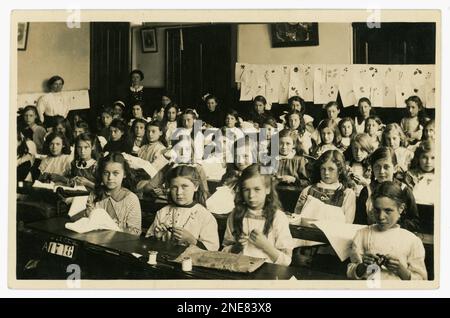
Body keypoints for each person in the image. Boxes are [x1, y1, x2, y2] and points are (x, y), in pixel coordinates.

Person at [347, 181, 427, 280]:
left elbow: (422, 280)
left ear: (401, 208)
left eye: (388, 211)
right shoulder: (362, 234)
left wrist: (402, 271)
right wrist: (362, 267)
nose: (381, 217)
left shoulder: (412, 241)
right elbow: (350, 272)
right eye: (377, 210)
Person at [222, 164, 293, 266]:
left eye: (257, 189)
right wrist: (236, 247)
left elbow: (286, 261)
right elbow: (224, 252)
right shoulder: (235, 215)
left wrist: (265, 246)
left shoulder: (278, 217)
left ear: (267, 189)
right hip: (239, 269)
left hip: (267, 273)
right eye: (246, 190)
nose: (251, 195)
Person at [145, 165, 219, 251]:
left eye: (184, 187)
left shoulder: (205, 216)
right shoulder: (163, 212)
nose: (179, 193)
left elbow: (212, 251)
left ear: (196, 187)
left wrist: (191, 240)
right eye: (174, 187)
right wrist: (156, 237)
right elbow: (147, 245)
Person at [355, 147, 420, 232]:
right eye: (377, 167)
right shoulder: (366, 191)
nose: (381, 171)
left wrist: (393, 223)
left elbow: (414, 223)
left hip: (397, 236)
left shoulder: (404, 190)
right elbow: (359, 222)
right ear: (372, 168)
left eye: (386, 167)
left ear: (395, 168)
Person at [86, 152, 141, 235]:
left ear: (124, 174)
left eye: (115, 173)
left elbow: (135, 232)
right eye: (106, 173)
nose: (110, 178)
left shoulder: (131, 199)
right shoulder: (95, 194)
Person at [294, 150, 356, 224]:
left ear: (339, 170)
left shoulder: (347, 193)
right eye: (323, 169)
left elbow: (348, 222)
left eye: (331, 169)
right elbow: (296, 217)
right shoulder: (308, 190)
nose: (326, 173)